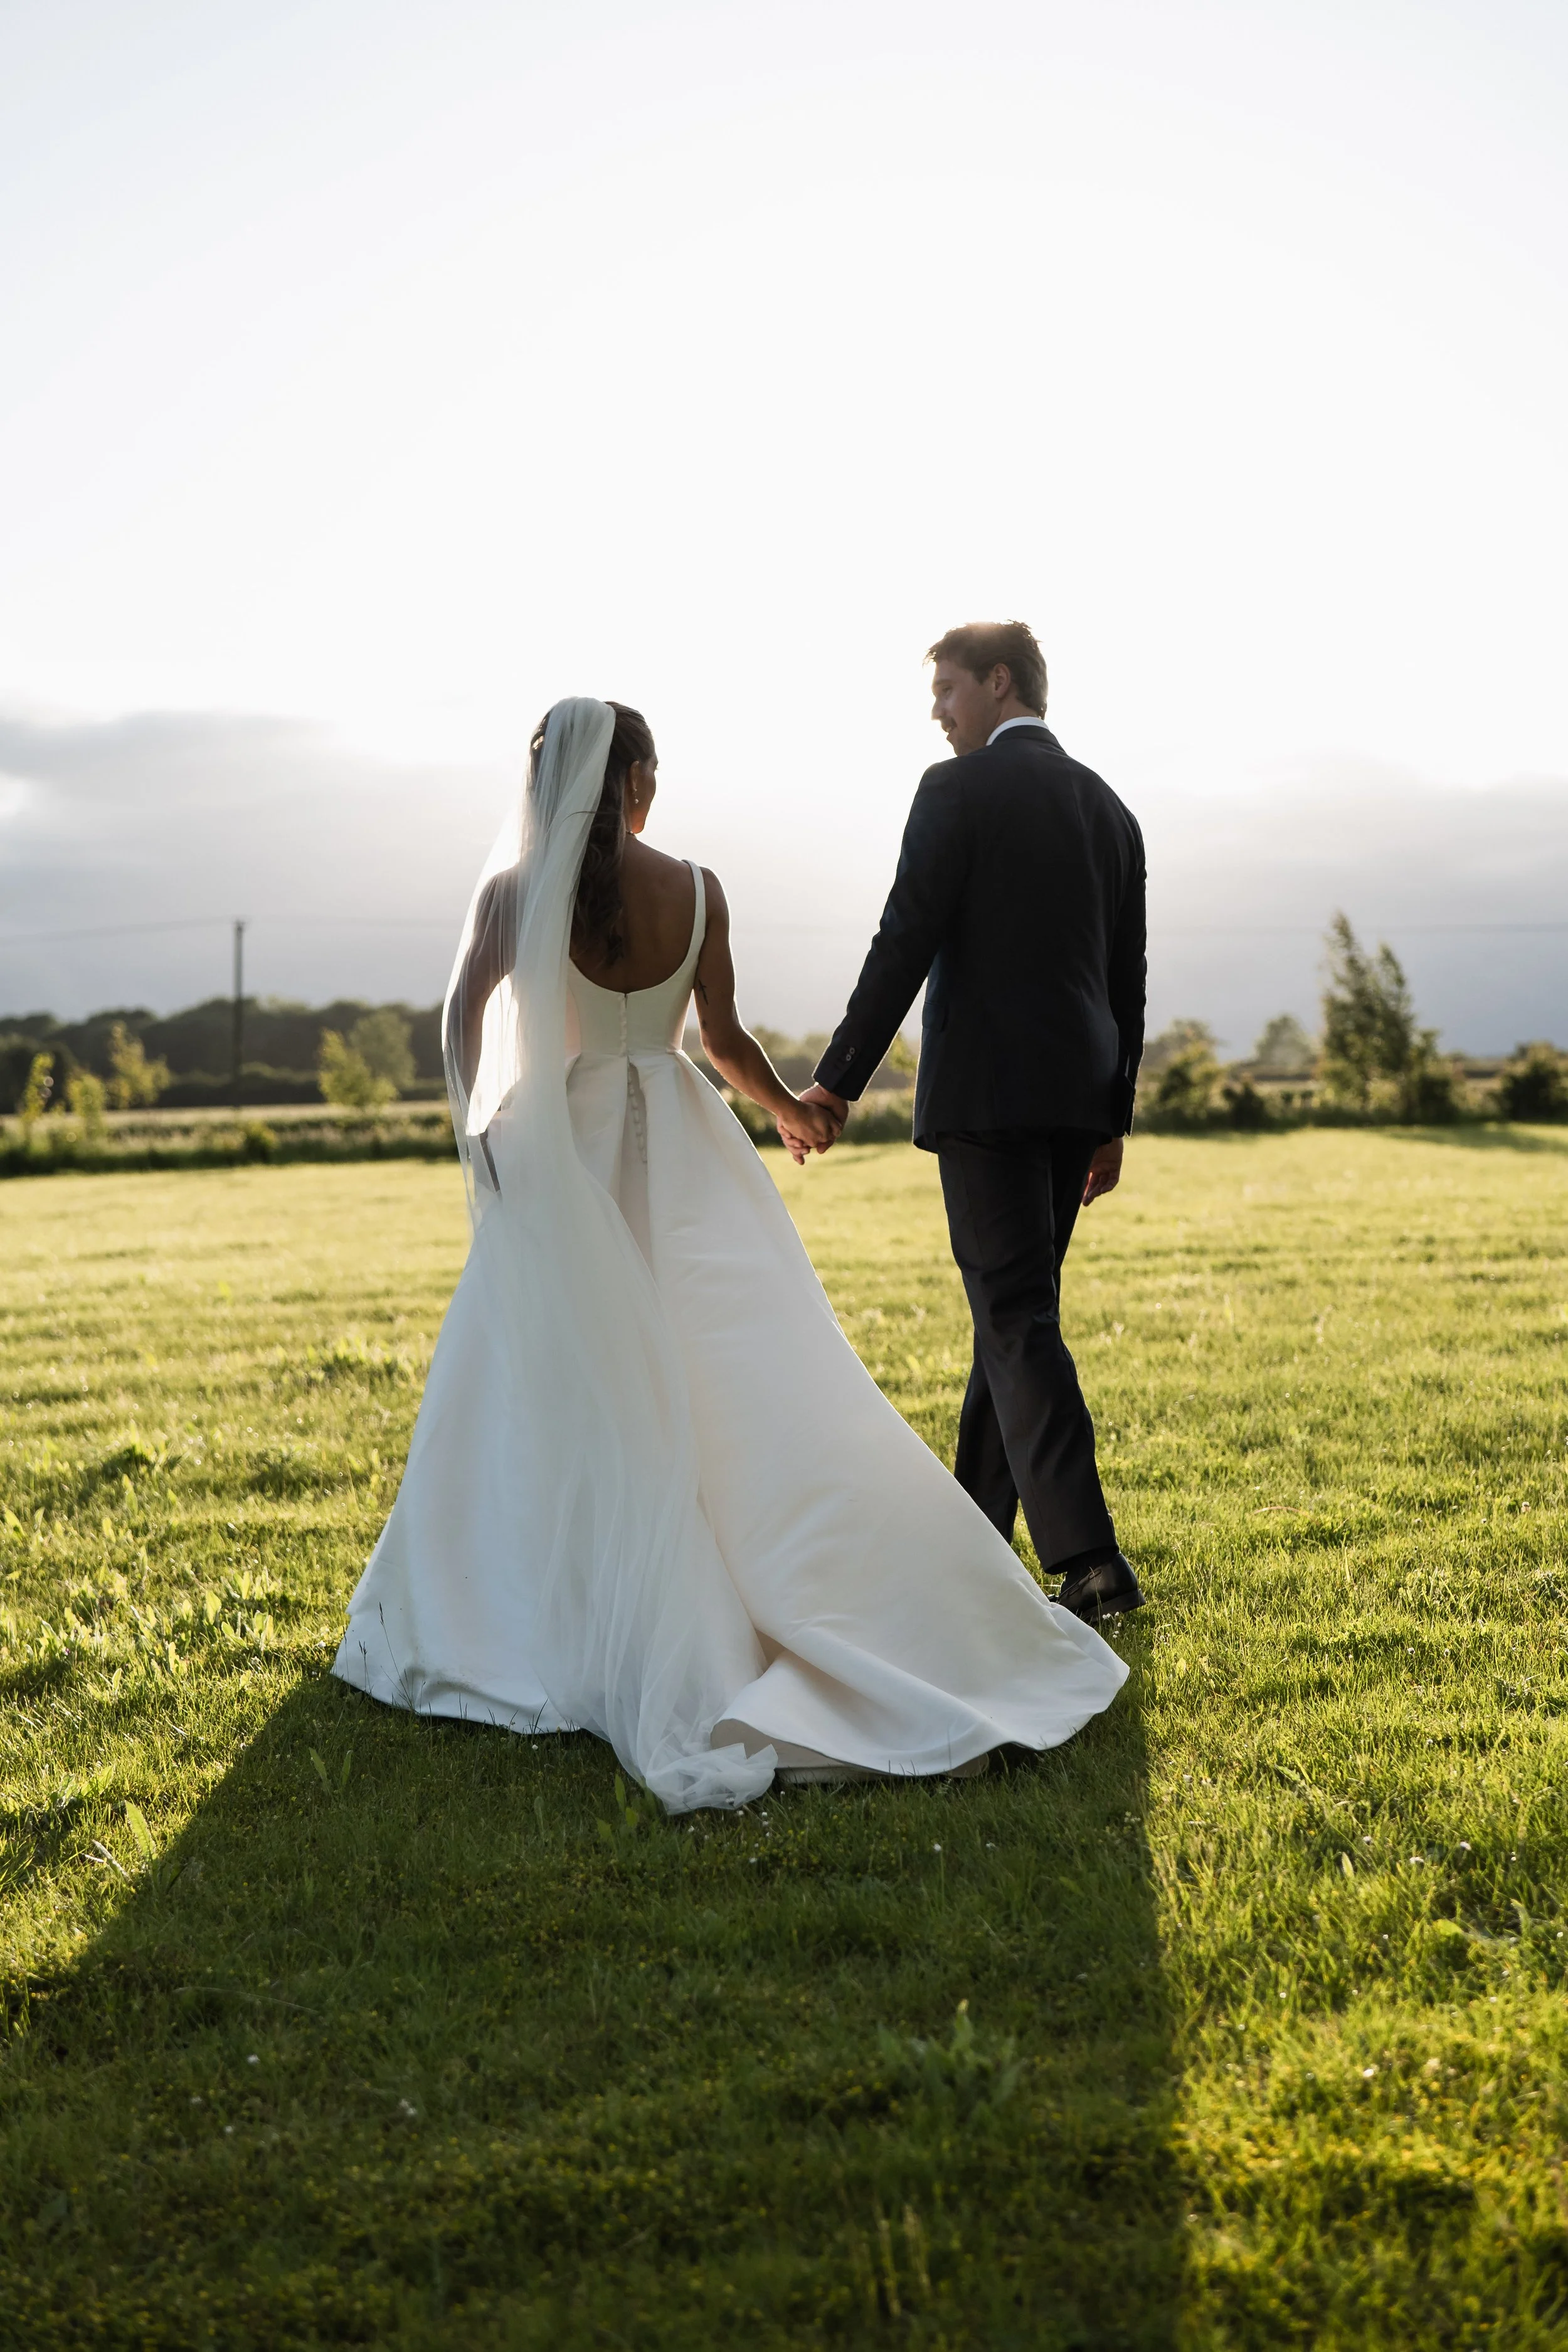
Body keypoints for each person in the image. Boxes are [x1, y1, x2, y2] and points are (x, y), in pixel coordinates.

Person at [332, 696, 1127, 1810]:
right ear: (643, 780)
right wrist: (793, 1110)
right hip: (684, 1147)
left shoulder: (519, 893)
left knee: (547, 1378)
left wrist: (485, 1129)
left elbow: (465, 1014)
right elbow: (720, 1040)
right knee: (733, 1373)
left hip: (564, 1154)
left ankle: (530, 1608)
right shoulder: (697, 889)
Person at [802, 622, 1147, 1624]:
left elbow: (905, 933)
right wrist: (1112, 1120)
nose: (940, 712)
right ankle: (973, 1541)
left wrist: (837, 1079)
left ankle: (1091, 1561)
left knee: (1014, 1317)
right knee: (1016, 1315)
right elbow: (1126, 979)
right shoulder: (1111, 809)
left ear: (1000, 683)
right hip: (1077, 1101)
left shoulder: (951, 791)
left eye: (949, 690)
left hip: (990, 1099)